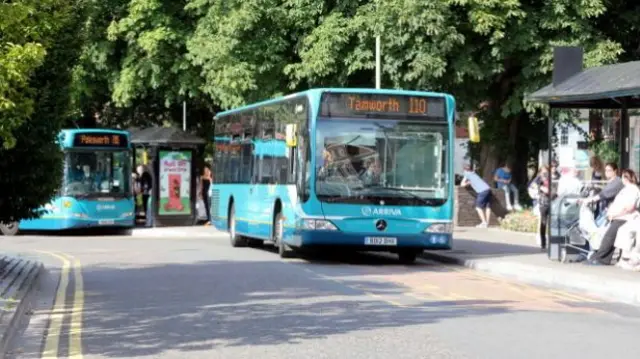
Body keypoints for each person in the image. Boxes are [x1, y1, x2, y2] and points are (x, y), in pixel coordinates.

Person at [586, 169, 640, 266]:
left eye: (622, 177)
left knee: (608, 238)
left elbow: (629, 207)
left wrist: (615, 215)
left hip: (624, 218)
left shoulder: (632, 189)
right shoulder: (626, 189)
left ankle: (600, 258)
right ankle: (603, 258)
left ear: (625, 178)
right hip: (618, 217)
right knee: (609, 237)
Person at [460, 164, 492, 228]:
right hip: (488, 189)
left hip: (482, 191)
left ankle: (484, 223)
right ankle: (487, 223)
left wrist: (468, 183)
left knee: (478, 207)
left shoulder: (467, 174)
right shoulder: (473, 173)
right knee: (487, 207)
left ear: (464, 170)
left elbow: (462, 184)